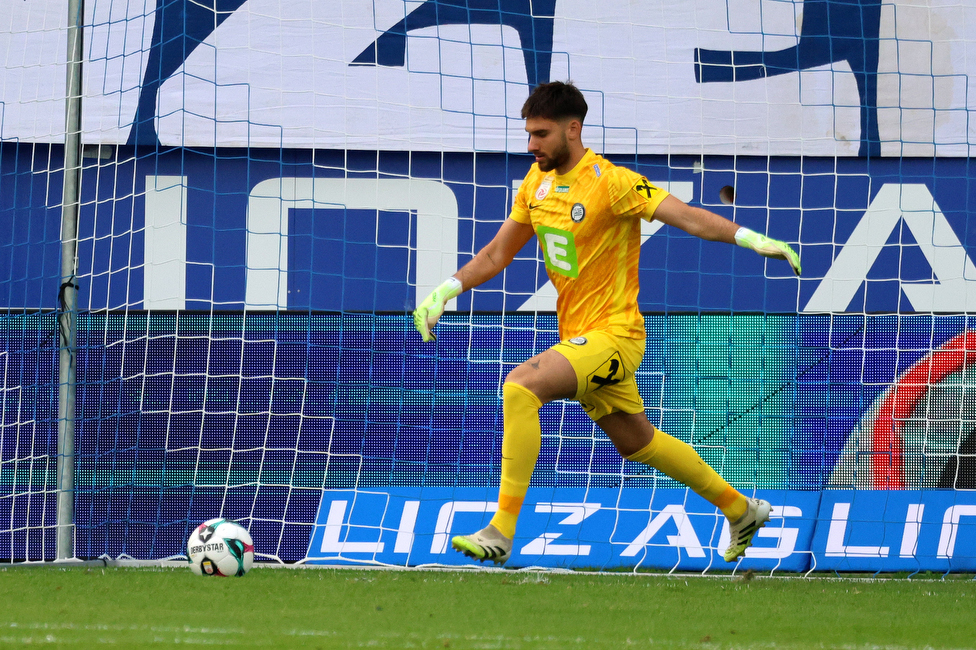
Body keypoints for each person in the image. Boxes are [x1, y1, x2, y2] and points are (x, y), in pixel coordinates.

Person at [412, 81, 801, 565]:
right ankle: (740, 509)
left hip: (615, 336)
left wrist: (752, 238)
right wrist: (445, 291)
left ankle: (502, 529)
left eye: (541, 134)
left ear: (572, 130)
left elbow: (687, 217)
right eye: (529, 134)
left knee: (520, 387)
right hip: (580, 336)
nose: (531, 145)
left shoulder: (612, 182)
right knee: (637, 442)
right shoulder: (535, 184)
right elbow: (496, 253)